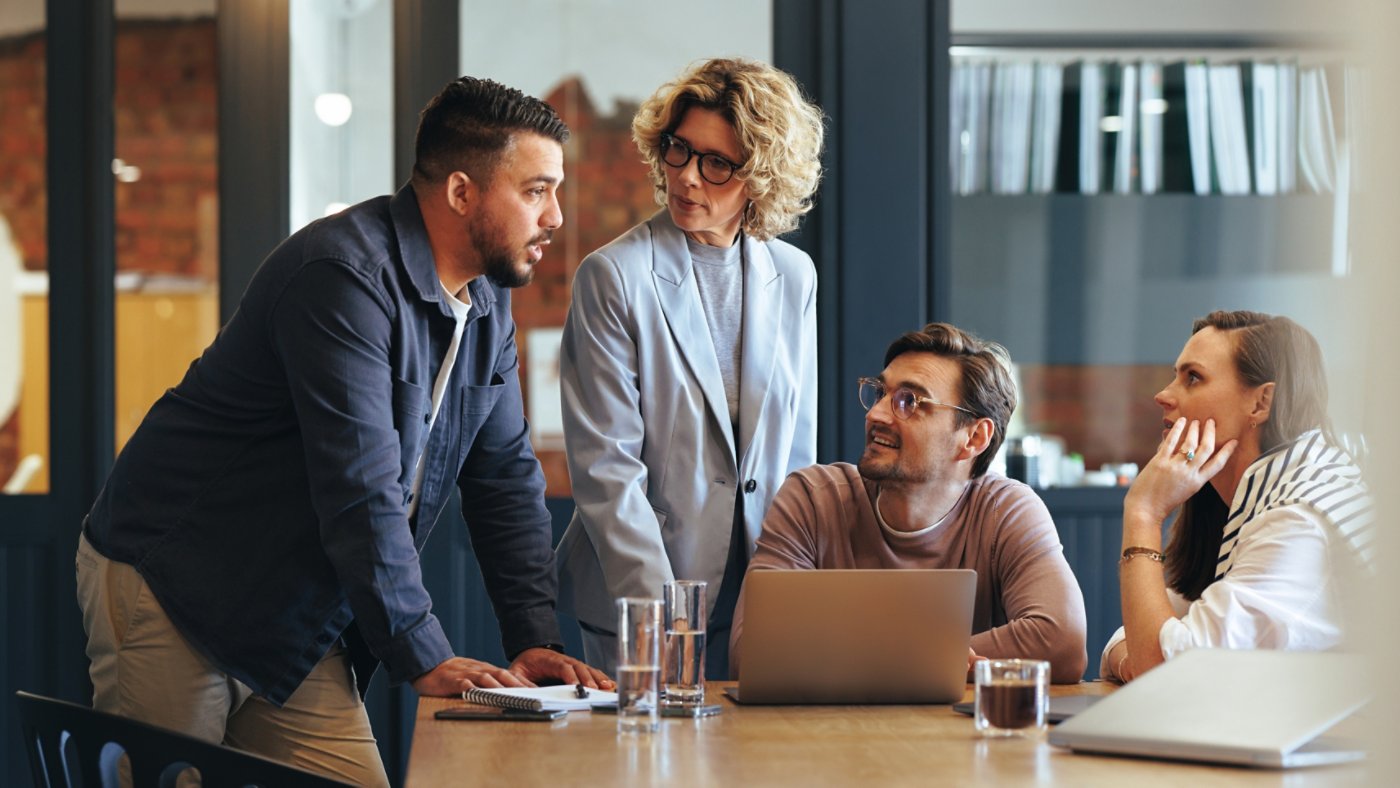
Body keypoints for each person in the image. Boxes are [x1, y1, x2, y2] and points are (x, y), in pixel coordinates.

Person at [76, 77, 610, 787]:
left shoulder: (484, 308)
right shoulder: (342, 278)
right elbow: (360, 489)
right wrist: (422, 653)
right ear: (460, 193)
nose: (555, 217)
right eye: (537, 191)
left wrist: (534, 638)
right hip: (176, 587)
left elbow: (505, 477)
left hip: (292, 611)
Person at [555, 58, 824, 677]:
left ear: (761, 175)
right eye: (679, 151)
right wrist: (661, 619)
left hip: (761, 590)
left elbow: (795, 454)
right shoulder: (613, 276)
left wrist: (792, 590)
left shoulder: (794, 276)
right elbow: (606, 471)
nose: (687, 178)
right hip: (643, 593)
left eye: (716, 163)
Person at [730, 323, 1088, 684]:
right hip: (833, 735)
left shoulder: (1005, 509)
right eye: (881, 393)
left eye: (909, 402)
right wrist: (935, 658)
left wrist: (860, 660)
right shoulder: (812, 498)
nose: (876, 414)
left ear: (974, 437)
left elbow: (1061, 642)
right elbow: (751, 651)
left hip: (961, 736)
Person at [1103, 310, 1373, 683]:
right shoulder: (1256, 498)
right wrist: (1140, 655)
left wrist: (1143, 513)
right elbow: (1136, 640)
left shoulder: (1297, 523)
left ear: (1261, 403)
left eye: (1192, 378)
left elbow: (1170, 676)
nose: (1163, 395)